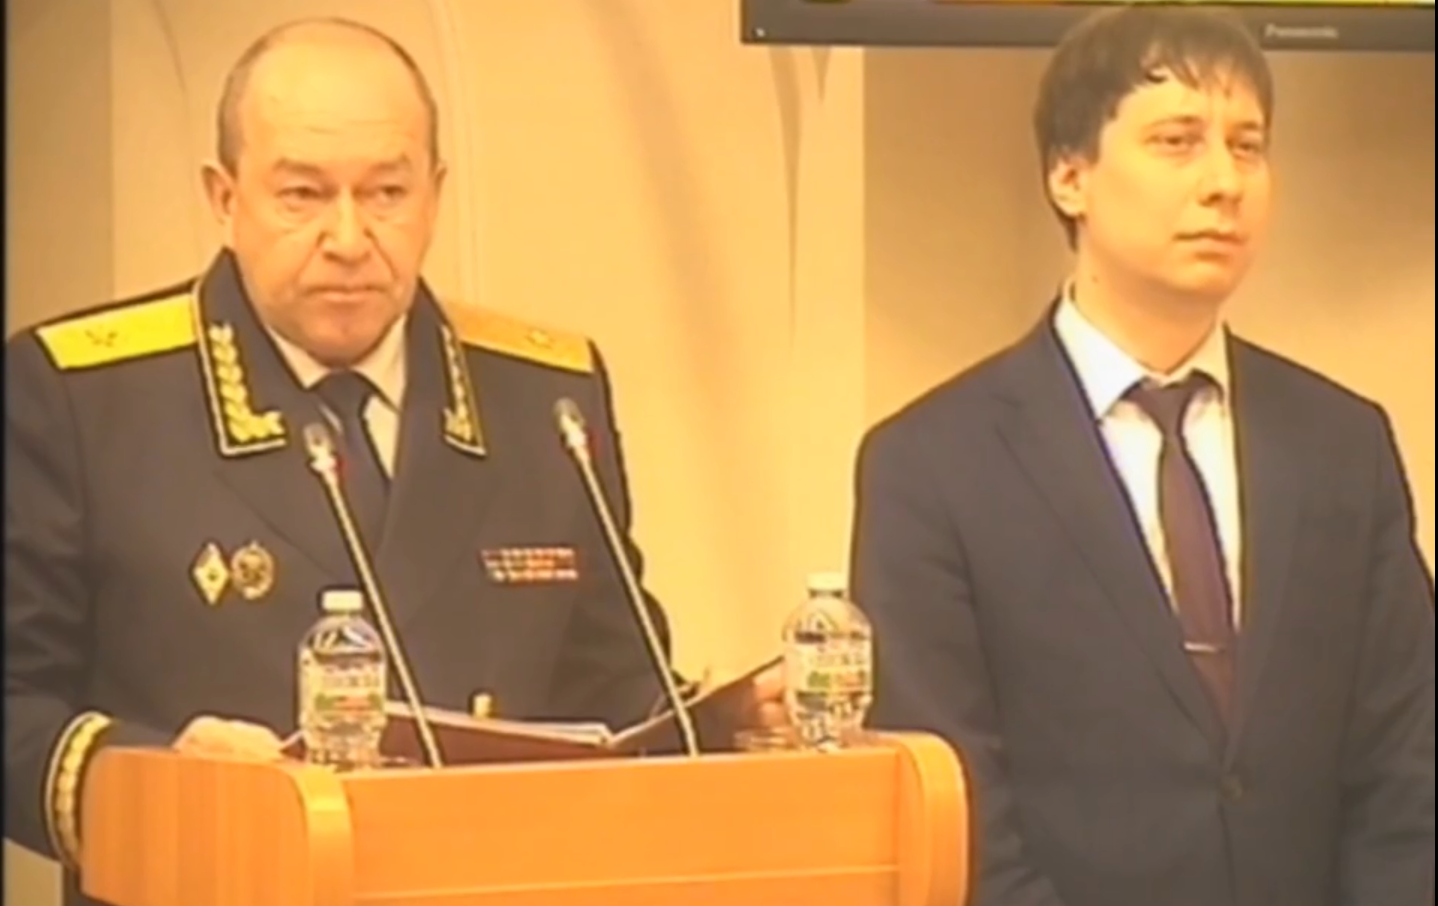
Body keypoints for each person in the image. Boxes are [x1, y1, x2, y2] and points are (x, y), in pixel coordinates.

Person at [4, 17, 780, 901]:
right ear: (224, 199)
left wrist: (727, 724)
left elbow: (610, 690)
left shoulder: (545, 398)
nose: (348, 237)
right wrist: (155, 783)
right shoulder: (82, 396)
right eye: (302, 195)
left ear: (434, 196)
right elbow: (15, 703)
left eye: (386, 193)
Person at [850, 6, 1434, 906]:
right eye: (1177, 141)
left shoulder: (1341, 444)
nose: (1224, 182)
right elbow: (962, 818)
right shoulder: (930, 467)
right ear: (1069, 174)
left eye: (1248, 146)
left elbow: (1407, 764)